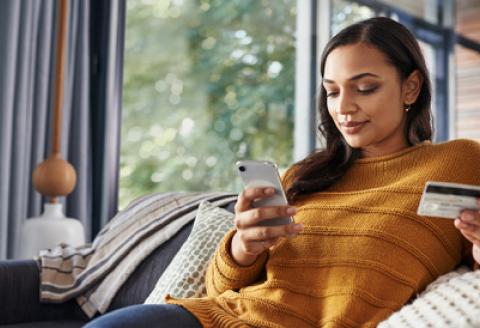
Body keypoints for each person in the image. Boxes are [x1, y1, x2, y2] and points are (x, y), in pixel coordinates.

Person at [84, 16, 480, 328]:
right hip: (215, 318)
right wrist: (244, 244)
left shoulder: (459, 161)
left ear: (410, 88)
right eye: (332, 91)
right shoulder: (305, 175)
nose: (343, 108)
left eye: (365, 88)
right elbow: (219, 288)